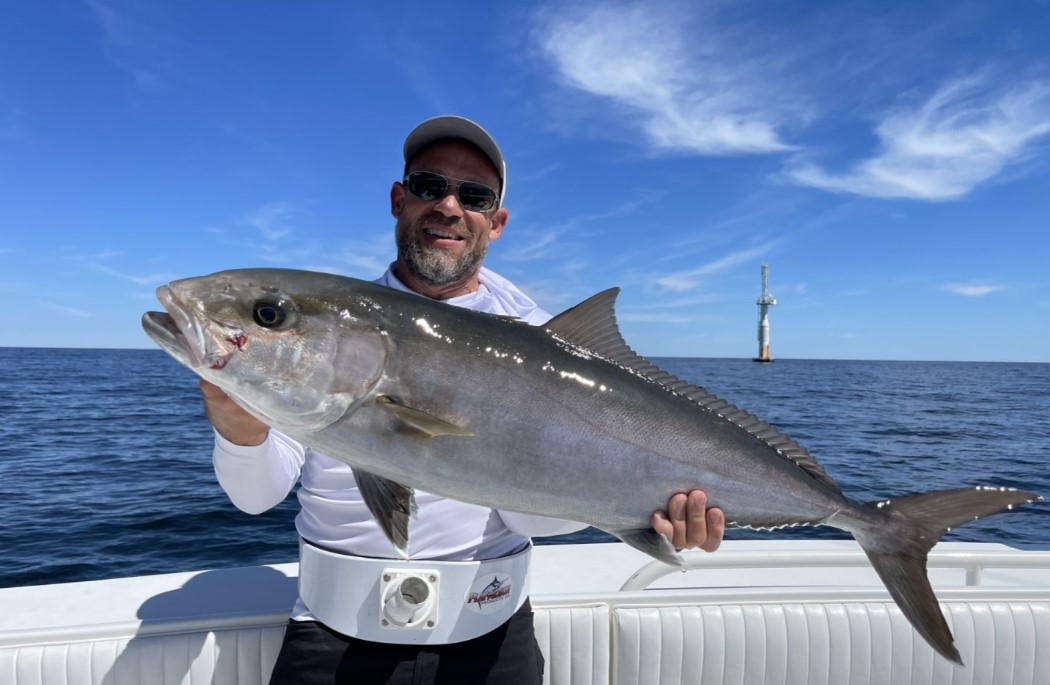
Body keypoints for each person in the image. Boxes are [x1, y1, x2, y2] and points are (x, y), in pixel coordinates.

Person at [199, 115, 725, 685]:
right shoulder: (335, 329)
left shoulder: (546, 342)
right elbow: (255, 498)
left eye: (472, 196)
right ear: (399, 199)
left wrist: (647, 509)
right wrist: (237, 427)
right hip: (330, 641)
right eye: (430, 186)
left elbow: (533, 522)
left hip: (491, 645)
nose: (449, 206)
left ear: (494, 223)